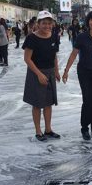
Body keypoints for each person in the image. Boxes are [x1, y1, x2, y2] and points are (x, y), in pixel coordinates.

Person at [62, 11, 92, 140]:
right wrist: (66, 71)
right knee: (87, 100)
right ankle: (85, 128)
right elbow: (74, 54)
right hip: (85, 72)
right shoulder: (82, 37)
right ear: (88, 22)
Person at [22, 11, 61, 141]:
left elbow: (54, 55)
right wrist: (38, 74)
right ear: (38, 24)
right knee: (37, 104)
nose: (47, 26)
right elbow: (27, 59)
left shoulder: (54, 36)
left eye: (49, 23)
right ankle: (38, 131)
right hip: (35, 73)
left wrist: (56, 71)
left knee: (49, 103)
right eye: (44, 23)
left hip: (50, 72)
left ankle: (48, 129)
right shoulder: (31, 38)